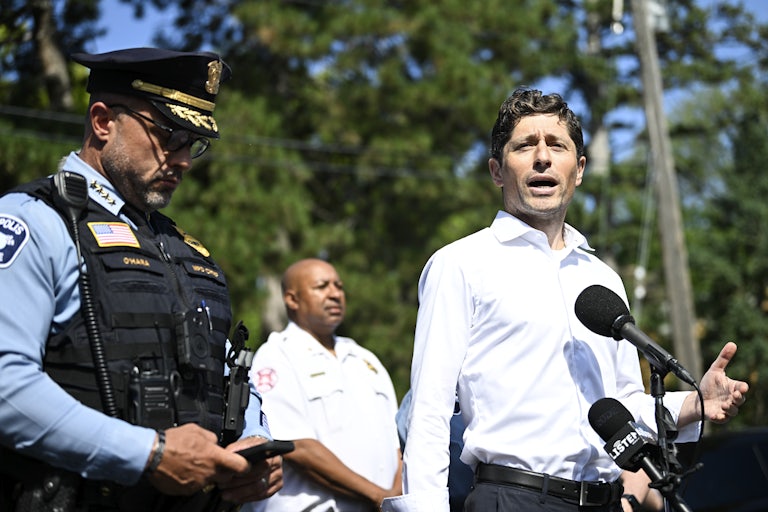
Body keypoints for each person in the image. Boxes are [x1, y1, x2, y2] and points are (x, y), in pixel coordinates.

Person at [381, 88, 749, 512]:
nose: (542, 157)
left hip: (606, 500)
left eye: (557, 145)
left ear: (578, 170)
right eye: (525, 146)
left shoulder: (602, 279)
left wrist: (696, 403)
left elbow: (624, 406)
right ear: (497, 171)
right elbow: (430, 408)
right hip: (512, 497)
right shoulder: (461, 264)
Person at [0, 47, 282, 511]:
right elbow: (8, 387)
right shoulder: (34, 223)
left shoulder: (187, 251)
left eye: (193, 143)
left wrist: (256, 443)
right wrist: (148, 456)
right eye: (169, 135)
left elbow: (226, 373)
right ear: (103, 121)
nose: (184, 159)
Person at [244, 258, 402, 512]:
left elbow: (396, 442)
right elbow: (299, 449)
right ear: (292, 299)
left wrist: (395, 497)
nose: (335, 294)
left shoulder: (364, 358)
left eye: (339, 286)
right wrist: (378, 497)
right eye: (322, 286)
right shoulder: (277, 355)